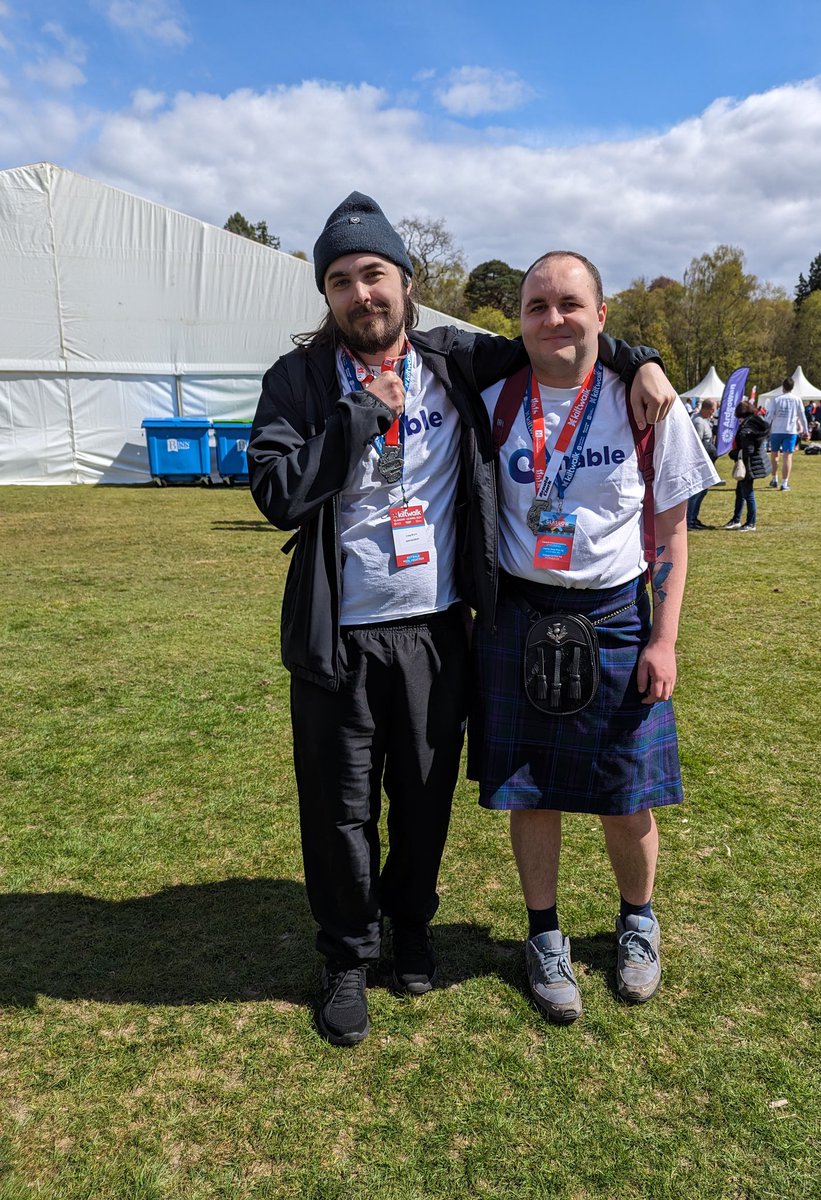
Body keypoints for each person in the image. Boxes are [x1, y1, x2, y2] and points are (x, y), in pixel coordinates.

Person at [247, 193, 675, 1045]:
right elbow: (276, 494)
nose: (360, 293)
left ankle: (410, 930)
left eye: (374, 275)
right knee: (338, 807)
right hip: (337, 637)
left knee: (425, 796)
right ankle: (344, 955)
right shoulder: (295, 380)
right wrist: (358, 418)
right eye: (340, 281)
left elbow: (559, 333)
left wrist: (645, 358)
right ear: (326, 296)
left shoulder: (452, 359)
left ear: (405, 283)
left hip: (440, 632)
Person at [468, 251, 719, 1023]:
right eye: (536, 305)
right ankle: (544, 936)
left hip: (617, 614)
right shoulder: (492, 398)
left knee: (625, 794)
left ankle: (636, 921)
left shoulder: (646, 402)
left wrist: (664, 640)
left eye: (570, 303)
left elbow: (674, 534)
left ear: (602, 316)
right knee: (530, 790)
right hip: (520, 615)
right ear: (520, 320)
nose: (554, 318)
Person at [724, 401, 770, 531]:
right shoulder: (754, 423)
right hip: (752, 463)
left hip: (748, 465)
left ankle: (751, 523)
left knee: (748, 493)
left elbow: (747, 450)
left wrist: (733, 454)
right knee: (740, 492)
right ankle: (736, 519)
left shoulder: (746, 429)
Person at [765, 377, 808, 490]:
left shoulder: (776, 399)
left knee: (774, 455)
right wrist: (806, 431)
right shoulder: (797, 399)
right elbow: (802, 416)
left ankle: (774, 479)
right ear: (792, 387)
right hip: (790, 431)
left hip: (776, 431)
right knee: (787, 457)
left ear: (783, 387)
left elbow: (769, 416)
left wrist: (764, 428)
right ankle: (784, 483)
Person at [686, 398, 717, 529]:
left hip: (705, 462)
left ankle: (694, 518)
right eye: (713, 410)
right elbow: (696, 444)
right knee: (696, 493)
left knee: (702, 492)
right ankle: (690, 520)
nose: (713, 412)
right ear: (709, 409)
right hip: (699, 463)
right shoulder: (698, 422)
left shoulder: (704, 421)